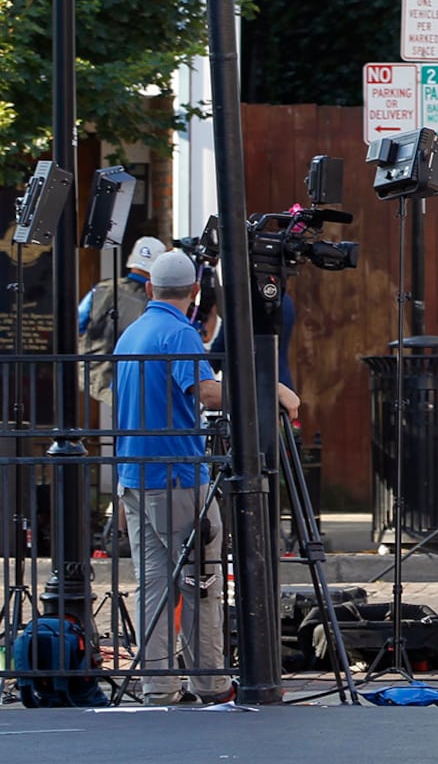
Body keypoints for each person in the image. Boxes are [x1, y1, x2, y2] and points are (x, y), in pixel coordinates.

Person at [114, 250, 299, 705]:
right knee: (203, 581)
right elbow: (208, 394)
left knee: (152, 584)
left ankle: (158, 684)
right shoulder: (180, 333)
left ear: (151, 289)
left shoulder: (131, 334)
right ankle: (210, 680)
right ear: (195, 292)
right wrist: (268, 389)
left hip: (135, 474)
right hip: (178, 473)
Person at [79, 235, 163, 406]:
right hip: (137, 379)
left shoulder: (102, 289)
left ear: (130, 259)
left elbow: (78, 323)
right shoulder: (156, 302)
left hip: (93, 373)